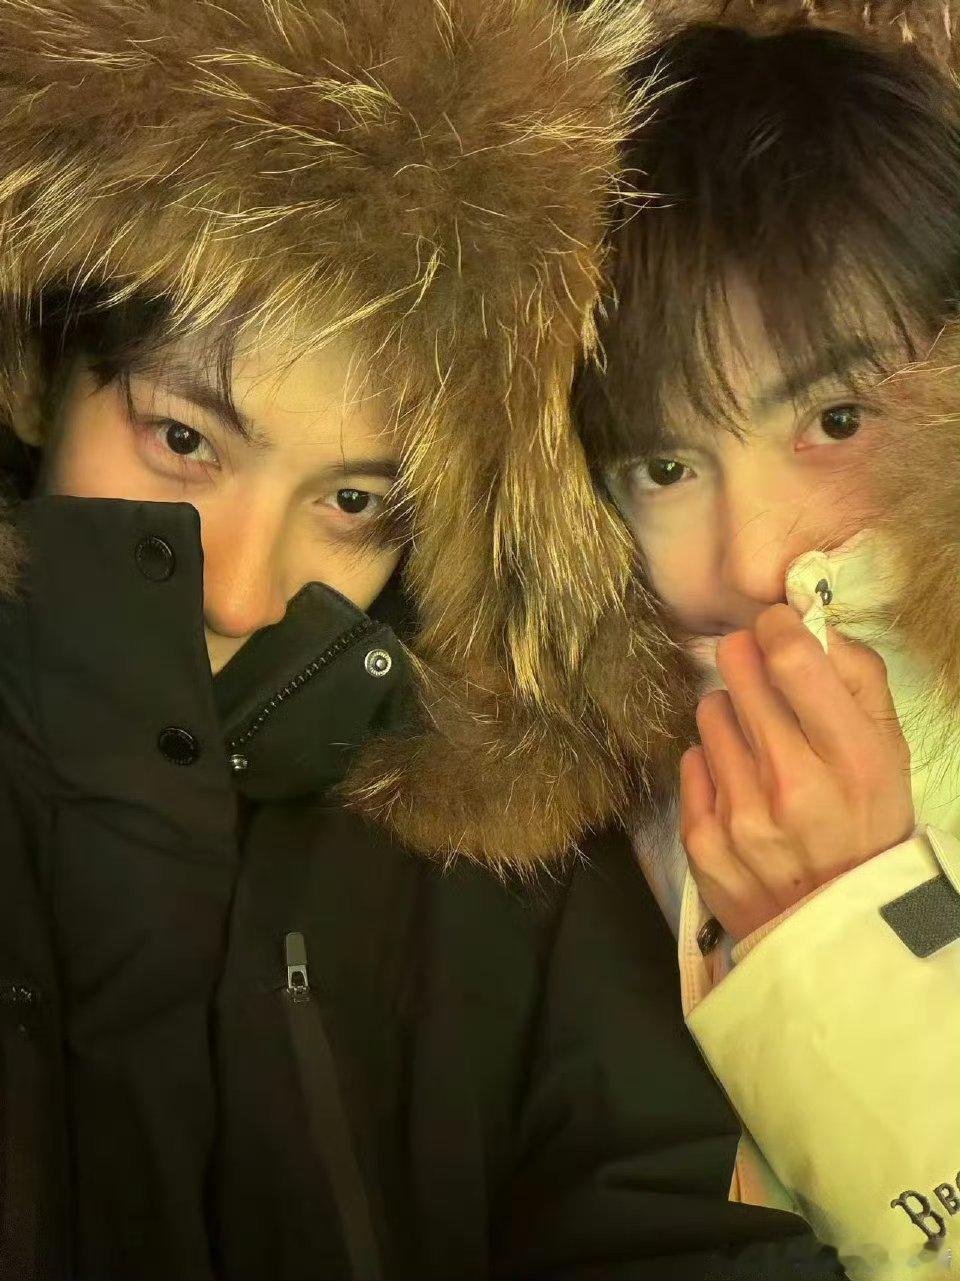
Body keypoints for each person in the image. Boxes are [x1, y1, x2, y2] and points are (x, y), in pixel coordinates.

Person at [0, 1, 849, 1279]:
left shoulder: (502, 859)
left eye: (353, 503)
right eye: (184, 441)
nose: (240, 593)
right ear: (39, 372)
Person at [573, 5, 960, 1278]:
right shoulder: (548, 810)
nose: (749, 562)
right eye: (665, 466)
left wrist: (841, 926)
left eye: (837, 419)